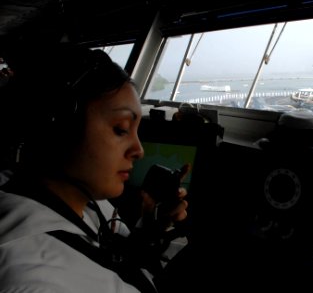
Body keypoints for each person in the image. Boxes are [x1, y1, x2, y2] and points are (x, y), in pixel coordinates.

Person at [0, 44, 189, 293]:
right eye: (121, 129)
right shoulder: (37, 280)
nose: (139, 150)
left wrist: (153, 228)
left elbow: (120, 264)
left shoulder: (88, 202)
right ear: (57, 125)